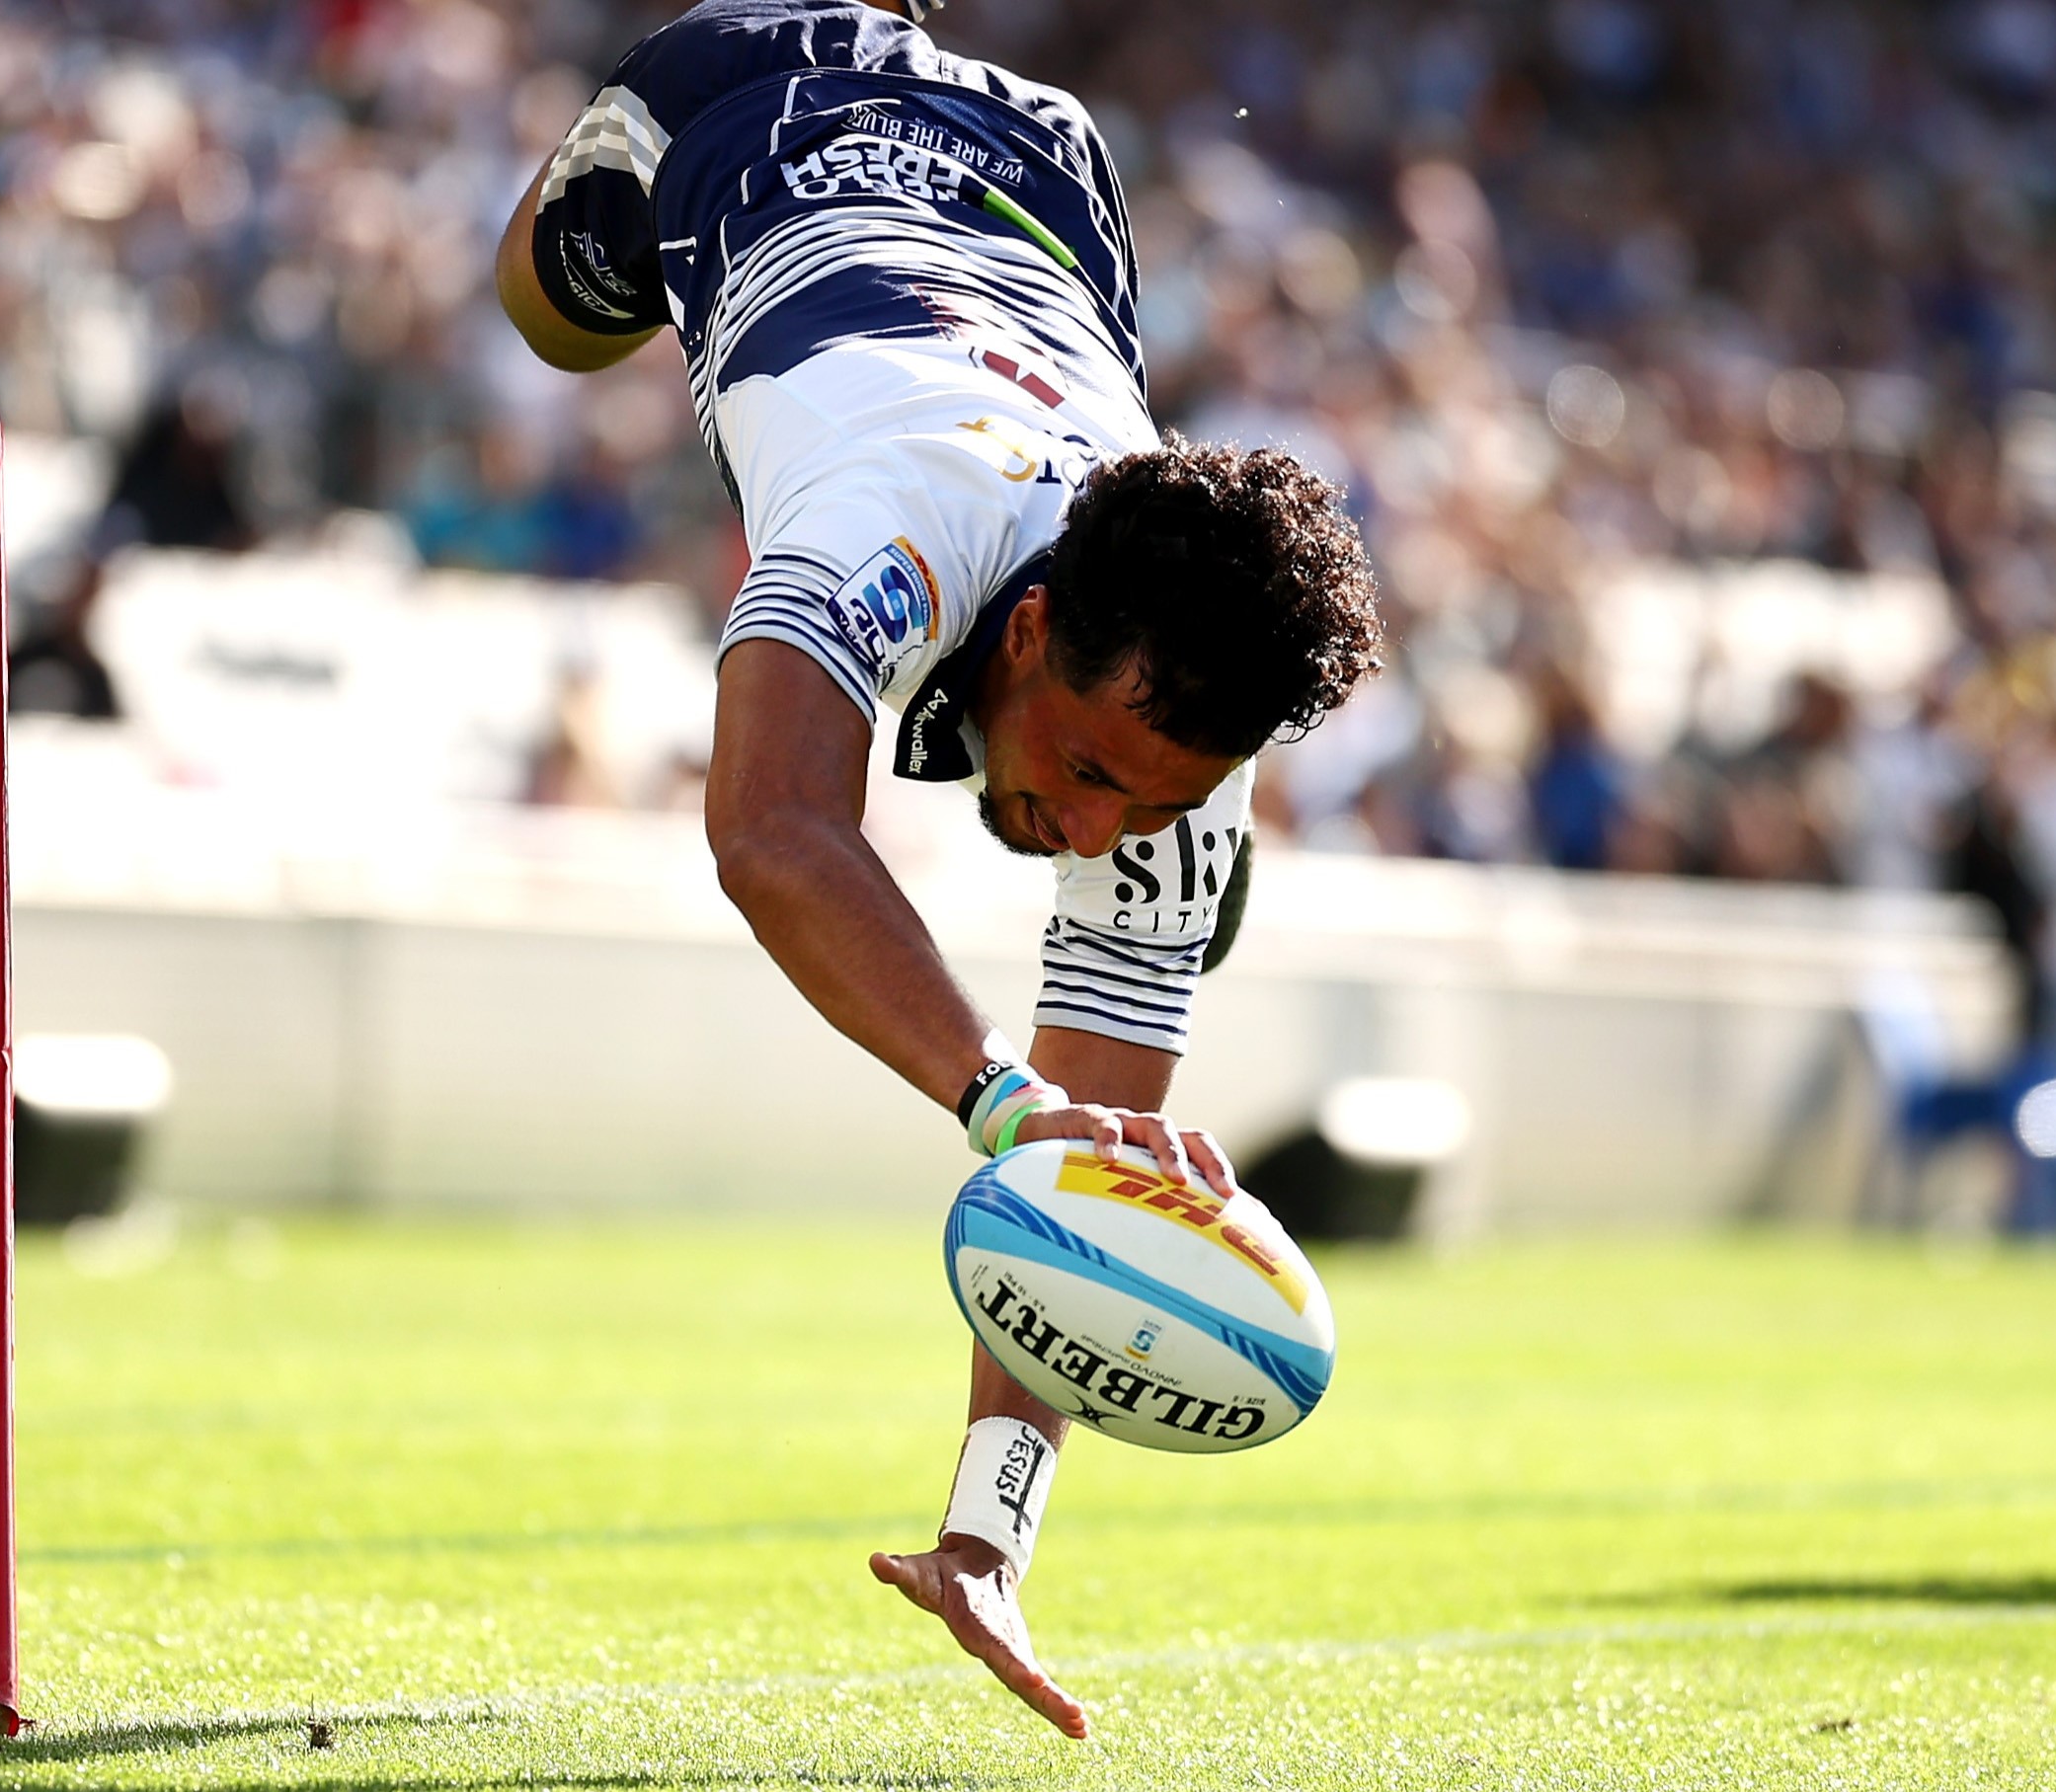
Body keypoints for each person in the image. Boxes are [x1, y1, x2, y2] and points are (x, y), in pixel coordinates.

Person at [497, 0, 1383, 1739]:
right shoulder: (885, 517)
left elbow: (1083, 1199)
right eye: (1090, 770)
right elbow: (767, 831)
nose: (1105, 832)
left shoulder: (1183, 758)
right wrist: (988, 1095)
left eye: (1158, 804)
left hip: (1048, 184)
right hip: (737, 112)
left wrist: (989, 1538)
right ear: (1030, 622)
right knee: (545, 319)